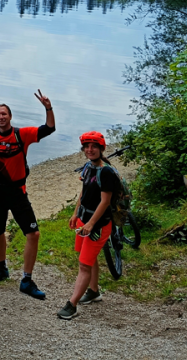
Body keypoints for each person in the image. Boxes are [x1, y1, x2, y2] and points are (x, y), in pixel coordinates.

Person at [0, 91, 55, 299]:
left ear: (10, 117)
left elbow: (49, 128)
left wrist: (48, 107)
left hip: (17, 192)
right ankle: (2, 268)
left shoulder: (22, 135)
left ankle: (27, 279)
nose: (1, 117)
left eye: (4, 114)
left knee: (34, 234)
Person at [58, 131, 121, 320]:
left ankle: (72, 305)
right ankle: (93, 291)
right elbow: (83, 192)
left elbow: (105, 202)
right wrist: (75, 213)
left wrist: (91, 224)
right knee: (89, 258)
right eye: (86, 146)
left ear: (102, 148)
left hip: (98, 226)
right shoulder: (87, 167)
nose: (90, 149)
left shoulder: (106, 172)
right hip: (83, 221)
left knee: (84, 265)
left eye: (94, 146)